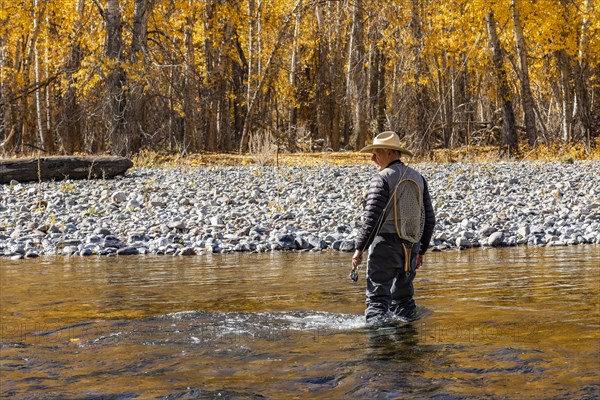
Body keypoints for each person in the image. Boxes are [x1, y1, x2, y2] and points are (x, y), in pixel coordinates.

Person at [352, 131, 435, 324]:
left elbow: (372, 219)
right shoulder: (419, 178)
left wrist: (359, 249)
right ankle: (407, 347)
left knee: (377, 302)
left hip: (384, 249)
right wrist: (421, 251)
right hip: (410, 248)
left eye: (376, 152)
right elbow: (429, 219)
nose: (372, 158)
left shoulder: (381, 178)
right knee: (404, 303)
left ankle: (380, 350)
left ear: (390, 153)